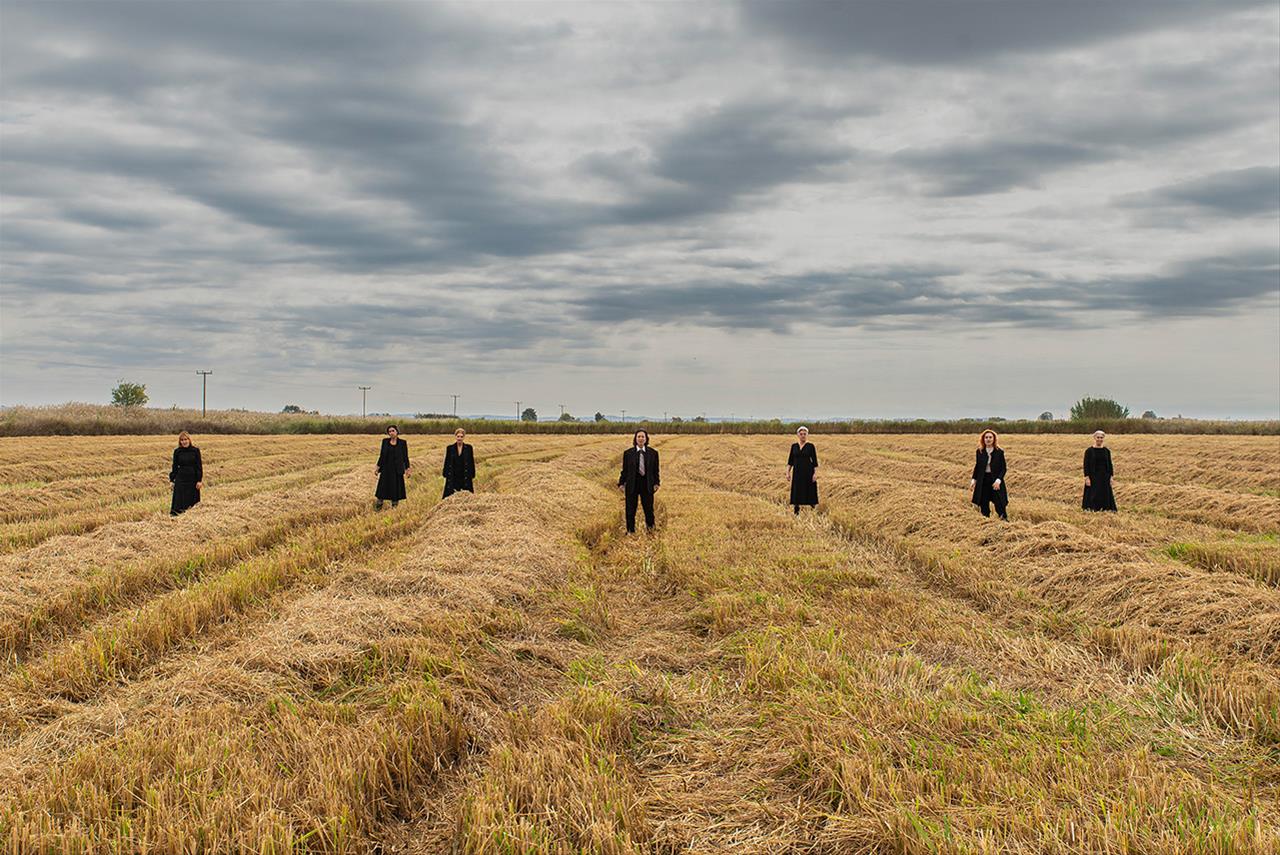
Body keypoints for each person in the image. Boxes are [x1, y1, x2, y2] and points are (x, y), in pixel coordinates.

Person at [618, 429, 659, 533]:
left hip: (647, 484)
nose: (641, 439)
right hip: (632, 485)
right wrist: (621, 483)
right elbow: (625, 470)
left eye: (643, 437)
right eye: (639, 437)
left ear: (646, 439)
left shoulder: (653, 453)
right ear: (635, 439)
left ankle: (651, 530)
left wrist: (657, 483)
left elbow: (655, 470)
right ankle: (630, 531)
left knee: (649, 509)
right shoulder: (628, 453)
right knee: (630, 510)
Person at [969, 429, 1008, 520]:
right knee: (984, 503)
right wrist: (974, 480)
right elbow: (977, 466)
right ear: (983, 439)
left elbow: (1003, 468)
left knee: (1000, 503)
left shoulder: (999, 452)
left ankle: (1004, 521)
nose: (988, 439)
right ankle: (985, 522)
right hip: (983, 480)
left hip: (995, 480)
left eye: (990, 437)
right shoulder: (979, 451)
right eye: (986, 437)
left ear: (994, 439)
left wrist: (999, 480)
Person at [374, 425, 410, 509]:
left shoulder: (402, 443)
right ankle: (378, 507)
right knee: (382, 489)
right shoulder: (385, 442)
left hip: (397, 470)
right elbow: (382, 456)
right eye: (389, 431)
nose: (391, 433)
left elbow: (405, 457)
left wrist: (407, 469)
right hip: (386, 469)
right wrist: (377, 467)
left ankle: (394, 507)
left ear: (397, 432)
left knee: (395, 490)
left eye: (393, 431)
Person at [169, 431, 203, 516]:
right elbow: (175, 466)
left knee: (192, 499)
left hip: (193, 478)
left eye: (186, 439)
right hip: (181, 478)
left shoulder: (195, 451)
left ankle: (192, 516)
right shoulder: (177, 452)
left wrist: (199, 480)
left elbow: (199, 466)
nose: (184, 441)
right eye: (182, 440)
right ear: (180, 441)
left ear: (189, 440)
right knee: (179, 500)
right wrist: (172, 480)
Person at [1082, 430, 1117, 511]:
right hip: (1093, 476)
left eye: (1101, 438)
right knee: (1093, 493)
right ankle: (1093, 509)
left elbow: (1110, 464)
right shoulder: (1089, 451)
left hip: (1104, 476)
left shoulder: (1106, 451)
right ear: (1094, 438)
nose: (1099, 439)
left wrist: (1111, 476)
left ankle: (1105, 508)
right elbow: (1086, 465)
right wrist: (1087, 477)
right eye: (1098, 437)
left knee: (1105, 493)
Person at [786, 426, 818, 515]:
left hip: (808, 472)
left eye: (805, 434)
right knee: (797, 491)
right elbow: (790, 461)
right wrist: (787, 472)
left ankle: (813, 510)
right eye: (801, 434)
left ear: (807, 435)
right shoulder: (794, 446)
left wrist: (815, 473)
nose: (803, 436)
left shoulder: (811, 446)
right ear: (798, 435)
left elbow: (815, 461)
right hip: (797, 473)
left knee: (810, 490)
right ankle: (796, 511)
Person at [442, 427, 476, 498]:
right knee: (451, 496)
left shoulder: (469, 448)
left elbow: (471, 461)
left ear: (464, 437)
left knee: (466, 497)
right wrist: (445, 473)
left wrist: (472, 474)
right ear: (455, 437)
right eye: (458, 436)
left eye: (461, 436)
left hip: (464, 475)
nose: (459, 438)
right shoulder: (450, 448)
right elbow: (447, 461)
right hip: (453, 475)